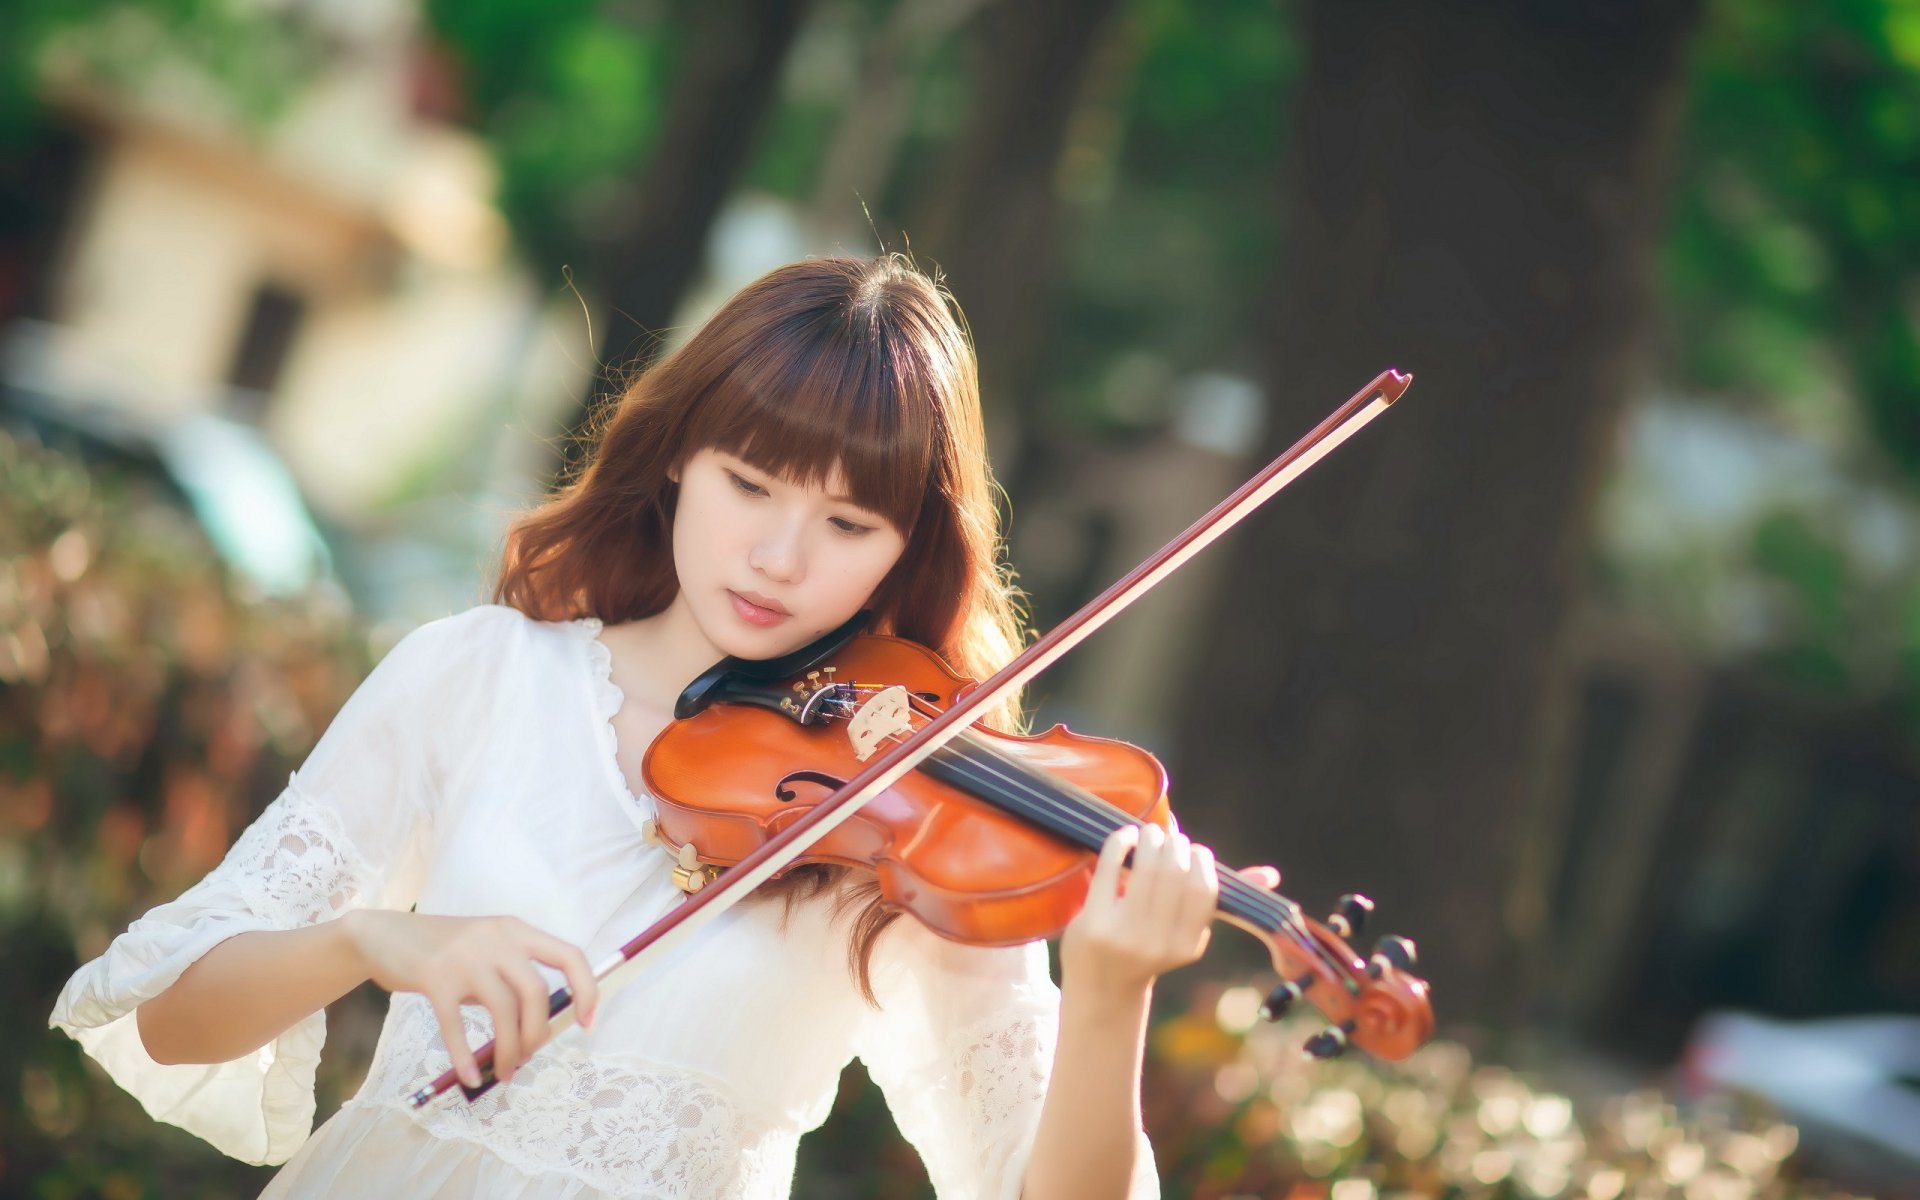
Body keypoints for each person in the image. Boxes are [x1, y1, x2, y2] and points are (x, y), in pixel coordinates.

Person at [51, 254, 1276, 1198]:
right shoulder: (479, 676)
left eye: (851, 526)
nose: (780, 558)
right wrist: (382, 941)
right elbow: (174, 1016)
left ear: (912, 550)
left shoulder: (918, 818)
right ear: (680, 453)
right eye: (750, 484)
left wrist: (1111, 991)